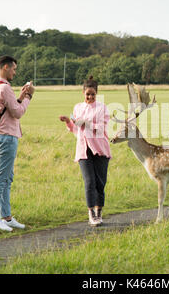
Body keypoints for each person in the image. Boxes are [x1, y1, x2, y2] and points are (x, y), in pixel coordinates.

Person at [0, 55, 35, 231]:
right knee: (1, 178)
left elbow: (10, 108)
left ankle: (6, 217)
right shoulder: (5, 88)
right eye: (14, 69)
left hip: (3, 135)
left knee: (7, 178)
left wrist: (21, 96)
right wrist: (29, 97)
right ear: (6, 67)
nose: (15, 72)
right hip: (6, 136)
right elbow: (17, 113)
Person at [59, 76, 111, 226]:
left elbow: (100, 129)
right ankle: (91, 213)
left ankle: (99, 209)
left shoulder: (102, 108)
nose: (90, 97)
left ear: (97, 94)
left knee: (100, 183)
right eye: (87, 94)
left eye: (93, 94)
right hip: (83, 150)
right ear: (83, 93)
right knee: (89, 182)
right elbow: (76, 130)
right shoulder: (78, 108)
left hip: (100, 149)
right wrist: (68, 122)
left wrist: (82, 122)